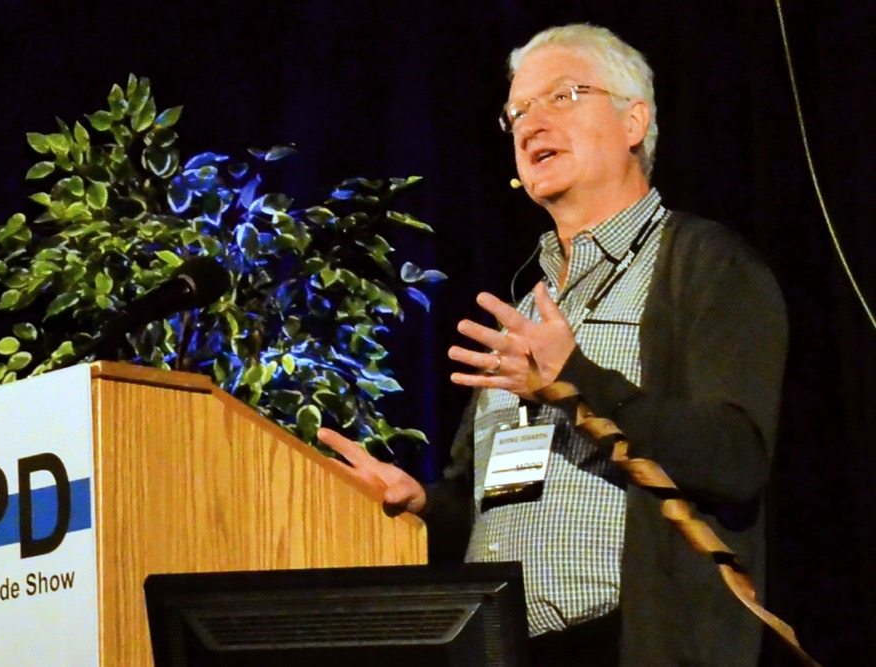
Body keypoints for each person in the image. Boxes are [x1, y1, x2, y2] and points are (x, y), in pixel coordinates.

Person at [319, 22, 787, 667]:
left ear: (634, 122)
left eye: (563, 96)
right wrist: (423, 505)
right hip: (498, 647)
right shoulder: (526, 308)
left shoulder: (703, 264)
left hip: (627, 647)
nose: (531, 124)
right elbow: (487, 505)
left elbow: (735, 460)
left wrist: (575, 378)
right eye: (517, 112)